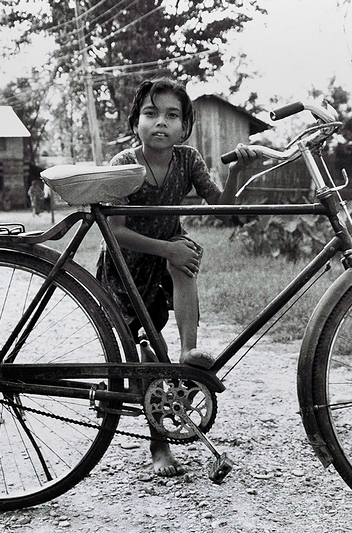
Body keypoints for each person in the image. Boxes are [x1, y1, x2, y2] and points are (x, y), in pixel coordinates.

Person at [96, 77, 257, 477]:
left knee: (184, 261)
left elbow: (223, 207)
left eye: (172, 116)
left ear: (184, 127)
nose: (161, 123)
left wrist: (237, 170)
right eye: (151, 114)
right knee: (148, 356)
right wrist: (169, 247)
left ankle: (190, 352)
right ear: (136, 122)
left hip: (169, 254)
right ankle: (159, 445)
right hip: (127, 265)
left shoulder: (188, 160)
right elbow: (115, 231)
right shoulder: (124, 165)